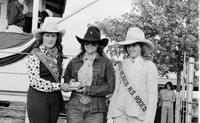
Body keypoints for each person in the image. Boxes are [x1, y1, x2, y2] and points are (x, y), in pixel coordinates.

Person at [61, 26, 115, 123]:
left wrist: (87, 89)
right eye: (87, 42)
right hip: (75, 105)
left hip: (96, 107)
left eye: (93, 42)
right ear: (83, 44)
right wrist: (70, 82)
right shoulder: (74, 62)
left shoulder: (106, 63)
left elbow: (110, 87)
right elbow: (66, 79)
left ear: (98, 44)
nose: (90, 45)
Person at [107, 27, 158, 123]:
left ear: (141, 47)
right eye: (128, 46)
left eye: (134, 45)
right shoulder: (120, 66)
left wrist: (148, 120)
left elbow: (152, 98)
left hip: (139, 116)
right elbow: (116, 92)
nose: (130, 48)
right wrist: (110, 115)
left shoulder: (150, 67)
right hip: (119, 115)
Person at [26, 17, 65, 123]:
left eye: (53, 35)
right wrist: (59, 86)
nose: (50, 39)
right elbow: (35, 81)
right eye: (47, 35)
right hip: (38, 98)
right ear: (42, 37)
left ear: (57, 37)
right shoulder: (35, 54)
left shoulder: (58, 55)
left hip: (55, 99)